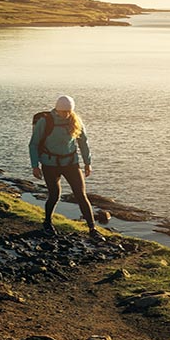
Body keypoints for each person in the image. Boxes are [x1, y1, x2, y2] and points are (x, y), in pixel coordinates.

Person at [29, 95, 103, 240]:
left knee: (81, 195)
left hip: (71, 164)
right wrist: (35, 166)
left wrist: (87, 163)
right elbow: (33, 144)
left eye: (68, 111)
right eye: (63, 111)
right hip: (50, 165)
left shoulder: (75, 121)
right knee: (54, 194)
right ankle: (47, 223)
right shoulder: (45, 121)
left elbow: (83, 143)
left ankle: (92, 229)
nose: (65, 114)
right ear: (57, 109)